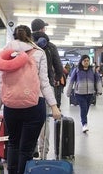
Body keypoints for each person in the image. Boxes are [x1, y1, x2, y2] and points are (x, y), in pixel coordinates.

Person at [0, 25, 61, 174]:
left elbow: (1, 86)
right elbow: (44, 83)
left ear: (14, 36)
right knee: (27, 148)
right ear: (31, 37)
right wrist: (54, 106)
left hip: (11, 106)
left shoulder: (5, 55)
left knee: (13, 144)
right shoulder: (39, 53)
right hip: (34, 105)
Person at [31, 18, 63, 159]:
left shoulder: (26, 44)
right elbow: (59, 69)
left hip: (27, 87)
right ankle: (44, 154)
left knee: (29, 120)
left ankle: (31, 150)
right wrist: (55, 80)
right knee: (45, 120)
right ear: (43, 29)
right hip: (45, 87)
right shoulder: (50, 46)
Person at [66, 55, 102, 133]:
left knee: (86, 109)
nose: (86, 62)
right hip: (79, 93)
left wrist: (99, 90)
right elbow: (71, 81)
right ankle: (84, 124)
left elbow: (98, 80)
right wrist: (68, 92)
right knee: (83, 108)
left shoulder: (92, 70)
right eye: (84, 61)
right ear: (81, 61)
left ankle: (83, 120)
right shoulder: (77, 70)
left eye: (87, 61)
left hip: (90, 93)